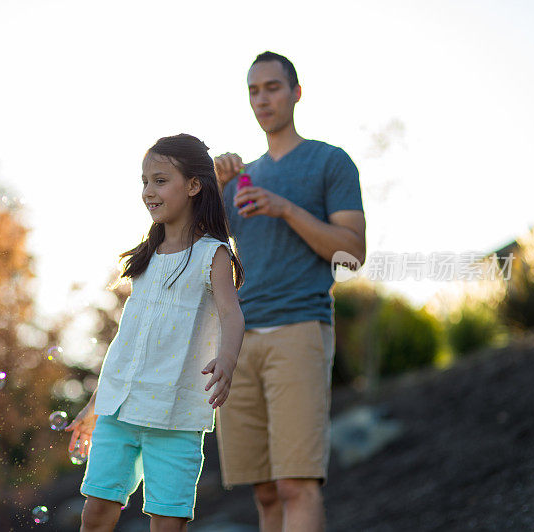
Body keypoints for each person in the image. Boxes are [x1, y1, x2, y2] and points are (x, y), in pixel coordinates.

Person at [213, 52, 366, 532]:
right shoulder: (235, 178)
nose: (263, 99)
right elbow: (194, 254)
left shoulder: (330, 161)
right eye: (253, 90)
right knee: (263, 492)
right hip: (239, 344)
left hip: (299, 329)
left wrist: (285, 208)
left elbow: (352, 254)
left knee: (296, 484)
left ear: (296, 93)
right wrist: (208, 190)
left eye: (273, 87)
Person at [65, 133, 245, 532]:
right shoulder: (146, 256)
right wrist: (96, 404)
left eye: (160, 180)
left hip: (176, 414)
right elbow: (126, 344)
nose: (149, 191)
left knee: (167, 521)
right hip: (120, 410)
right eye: (145, 181)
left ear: (194, 186)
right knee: (95, 512)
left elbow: (232, 315)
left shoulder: (212, 253)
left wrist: (227, 361)